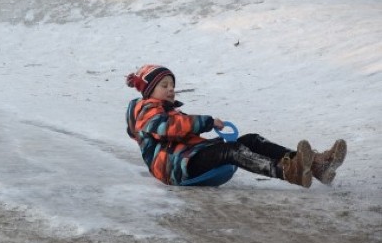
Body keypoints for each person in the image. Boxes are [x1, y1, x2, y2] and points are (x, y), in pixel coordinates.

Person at [125, 65, 348, 188]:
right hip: (176, 169)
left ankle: (315, 166)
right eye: (164, 85)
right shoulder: (146, 112)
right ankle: (288, 172)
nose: (171, 89)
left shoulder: (163, 109)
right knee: (231, 151)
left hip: (189, 158)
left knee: (251, 140)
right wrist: (207, 122)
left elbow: (175, 127)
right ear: (149, 91)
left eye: (172, 85)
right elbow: (168, 127)